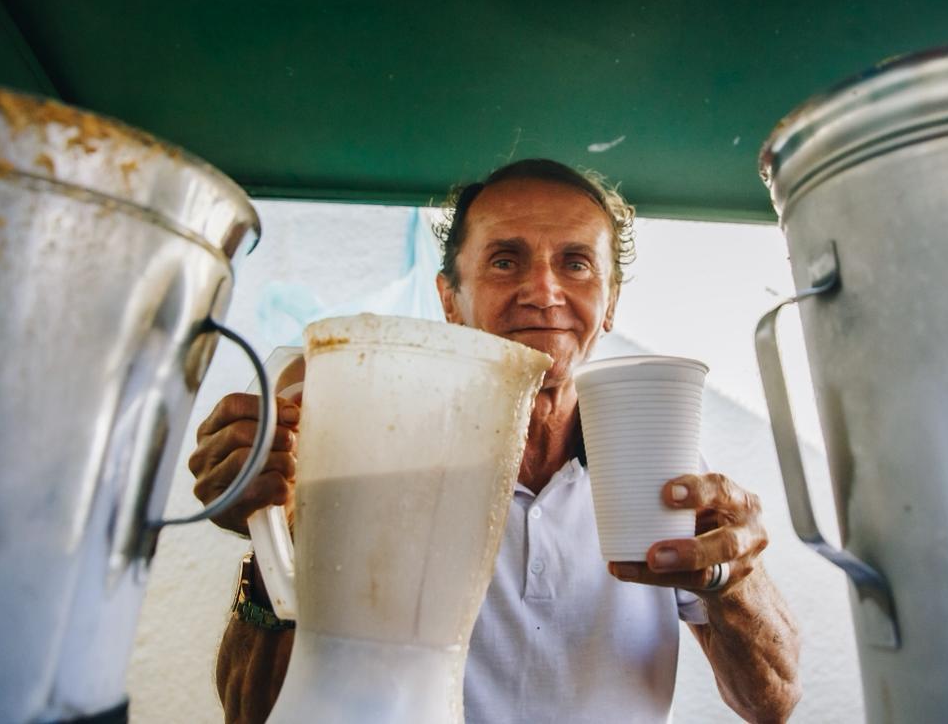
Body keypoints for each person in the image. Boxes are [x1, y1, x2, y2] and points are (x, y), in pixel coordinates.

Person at [189, 158, 801, 723]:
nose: (544, 291)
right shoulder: (380, 455)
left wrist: (734, 580)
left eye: (576, 263)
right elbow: (252, 712)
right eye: (506, 260)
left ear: (610, 302)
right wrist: (275, 540)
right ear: (449, 299)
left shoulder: (660, 465)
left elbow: (771, 700)